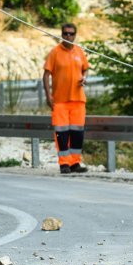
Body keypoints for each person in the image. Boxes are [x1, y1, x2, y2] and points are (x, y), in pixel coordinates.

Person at [43, 23, 90, 174]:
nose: (68, 36)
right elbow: (46, 75)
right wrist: (48, 95)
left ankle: (75, 163)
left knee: (77, 133)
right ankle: (64, 164)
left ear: (75, 35)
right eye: (65, 34)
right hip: (60, 101)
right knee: (61, 133)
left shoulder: (80, 51)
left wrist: (84, 78)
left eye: (71, 34)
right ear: (61, 35)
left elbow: (86, 69)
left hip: (78, 100)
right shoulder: (55, 53)